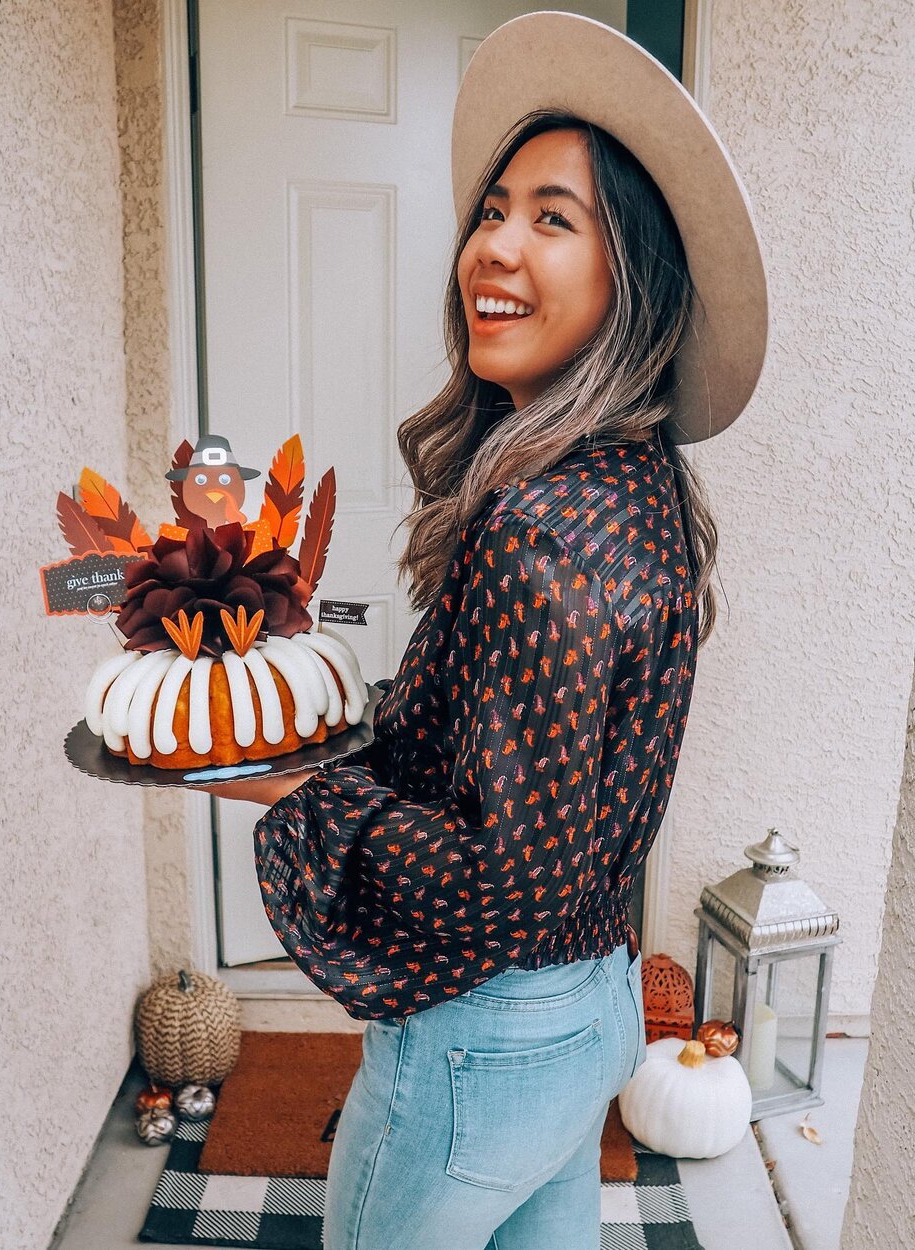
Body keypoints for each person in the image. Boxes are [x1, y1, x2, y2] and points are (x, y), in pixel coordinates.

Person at [202, 13, 768, 1249]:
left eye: (555, 219)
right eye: (494, 208)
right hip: (592, 1008)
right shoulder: (639, 481)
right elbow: (547, 812)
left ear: (637, 281)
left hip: (486, 1038)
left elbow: (505, 880)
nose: (493, 246)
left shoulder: (538, 529)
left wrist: (307, 790)